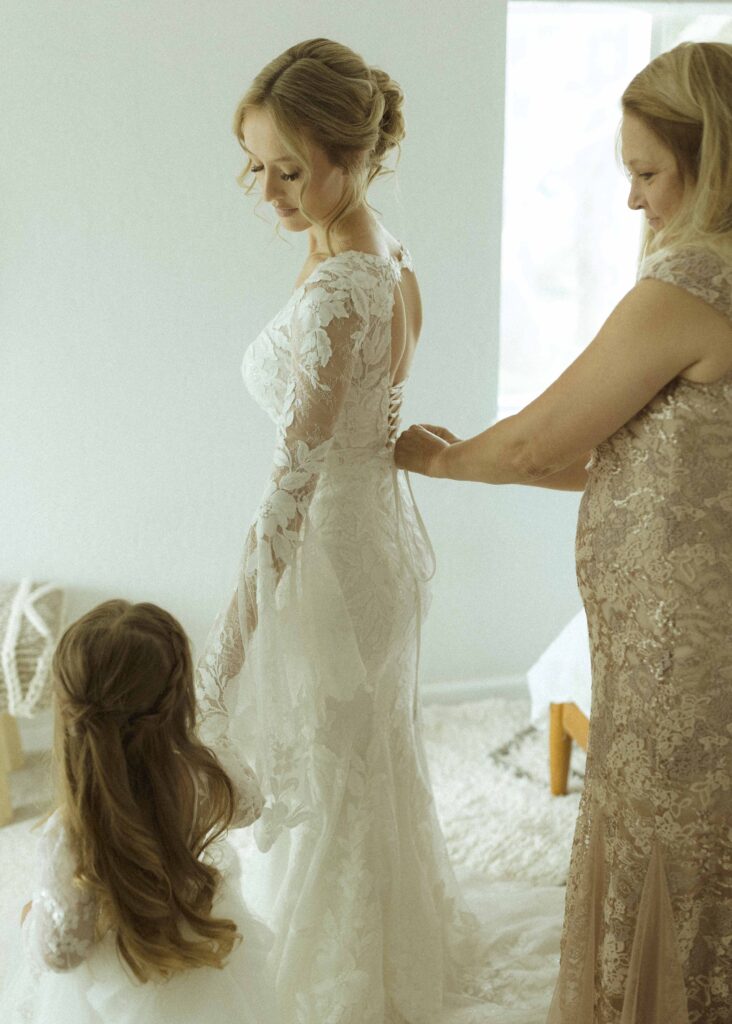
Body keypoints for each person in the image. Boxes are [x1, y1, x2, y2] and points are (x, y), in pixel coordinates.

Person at [395, 40, 732, 1024]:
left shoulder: (689, 289)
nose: (633, 200)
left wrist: (434, 457)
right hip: (674, 629)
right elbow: (639, 458)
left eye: (646, 172)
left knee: (668, 836)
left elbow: (549, 430)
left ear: (714, 162)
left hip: (685, 645)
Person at [194, 37, 494, 1024]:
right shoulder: (384, 256)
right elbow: (375, 422)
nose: (269, 190)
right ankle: (383, 962)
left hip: (329, 557)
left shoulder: (337, 288)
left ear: (355, 158)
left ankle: (333, 995)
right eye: (257, 166)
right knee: (364, 764)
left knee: (329, 779)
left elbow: (293, 482)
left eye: (291, 168)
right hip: (380, 546)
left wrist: (234, 631)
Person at [0, 600, 275, 1024]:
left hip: (112, 987)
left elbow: (61, 952)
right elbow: (250, 806)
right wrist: (214, 741)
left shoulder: (69, 832)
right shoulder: (199, 776)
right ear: (178, 703)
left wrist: (30, 922)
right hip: (198, 952)